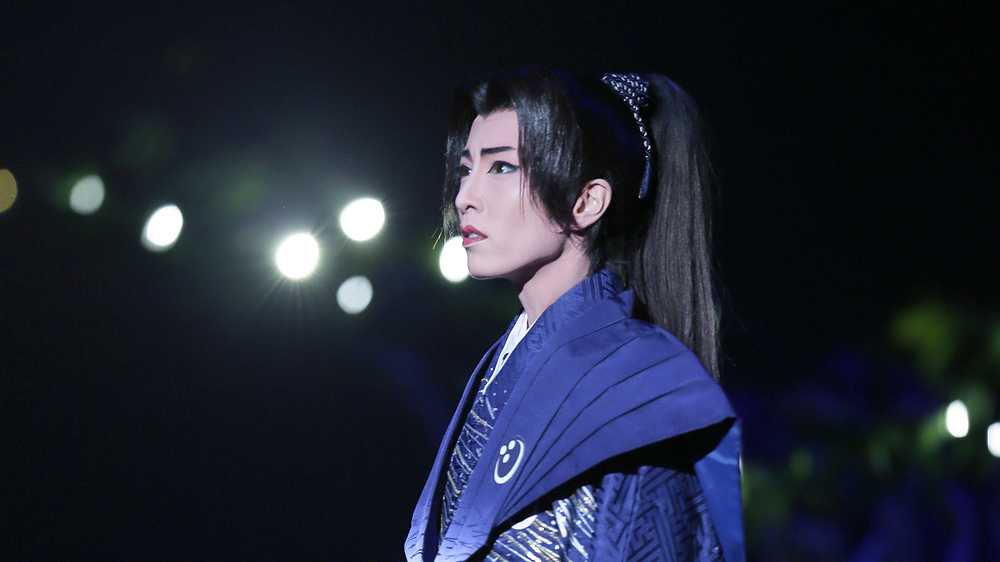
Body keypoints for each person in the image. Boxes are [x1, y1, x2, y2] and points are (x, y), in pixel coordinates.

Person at [405, 67, 745, 562]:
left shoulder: (641, 392)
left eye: (501, 168)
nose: (464, 198)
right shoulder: (501, 364)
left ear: (587, 201)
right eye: (465, 170)